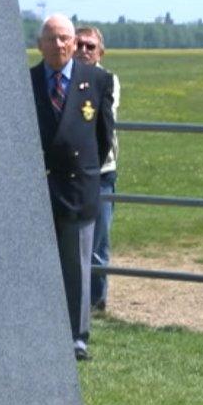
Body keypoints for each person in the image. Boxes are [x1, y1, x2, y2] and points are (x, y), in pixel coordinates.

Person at [29, 13, 114, 361]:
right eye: (52, 39)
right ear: (40, 45)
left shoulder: (96, 80)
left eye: (65, 38)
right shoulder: (27, 80)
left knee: (77, 267)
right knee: (36, 265)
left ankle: (77, 338)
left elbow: (103, 137)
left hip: (78, 185)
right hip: (37, 188)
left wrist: (86, 170)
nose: (60, 45)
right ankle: (38, 331)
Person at [74, 26, 121, 312]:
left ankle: (96, 301)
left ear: (101, 52)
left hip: (102, 170)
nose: (83, 51)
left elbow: (96, 119)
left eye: (90, 46)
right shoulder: (64, 78)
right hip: (71, 170)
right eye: (79, 44)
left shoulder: (108, 80)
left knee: (99, 240)